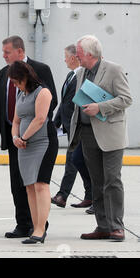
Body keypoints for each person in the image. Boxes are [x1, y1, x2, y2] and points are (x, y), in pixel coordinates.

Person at [0, 35, 57, 238]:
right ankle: (23, 224)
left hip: (38, 138)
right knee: (19, 183)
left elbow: (50, 104)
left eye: (7, 52)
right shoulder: (4, 73)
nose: (4, 56)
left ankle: (39, 225)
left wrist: (31, 132)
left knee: (39, 184)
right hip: (14, 137)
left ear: (19, 51)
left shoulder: (40, 69)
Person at [69, 35, 132, 241]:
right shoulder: (81, 72)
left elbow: (126, 99)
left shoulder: (113, 69)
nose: (75, 55)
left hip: (110, 134)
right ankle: (103, 225)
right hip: (88, 134)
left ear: (88, 53)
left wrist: (100, 107)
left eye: (78, 52)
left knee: (112, 181)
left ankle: (117, 227)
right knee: (97, 182)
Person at [9, 61, 58, 244]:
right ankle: (35, 226)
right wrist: (16, 137)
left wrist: (24, 137)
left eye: (16, 81)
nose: (14, 85)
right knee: (29, 185)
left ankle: (40, 229)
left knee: (40, 184)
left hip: (42, 142)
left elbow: (40, 119)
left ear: (25, 77)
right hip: (24, 145)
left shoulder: (42, 92)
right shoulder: (22, 94)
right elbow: (16, 120)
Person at [51, 44, 93, 210]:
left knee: (74, 160)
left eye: (66, 56)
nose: (64, 59)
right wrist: (55, 123)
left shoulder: (84, 78)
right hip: (70, 127)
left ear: (75, 57)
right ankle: (89, 196)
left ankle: (63, 195)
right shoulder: (71, 75)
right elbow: (64, 103)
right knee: (78, 161)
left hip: (80, 127)